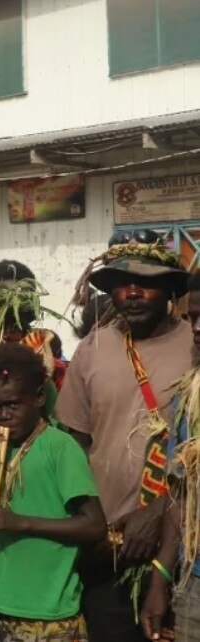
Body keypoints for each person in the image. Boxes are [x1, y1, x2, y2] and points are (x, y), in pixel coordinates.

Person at [58, 232, 193, 641]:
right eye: (121, 283)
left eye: (147, 282)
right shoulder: (93, 348)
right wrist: (95, 521)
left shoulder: (194, 344)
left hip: (180, 550)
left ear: (170, 289)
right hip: (108, 550)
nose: (132, 293)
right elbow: (75, 444)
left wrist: (154, 515)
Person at [0, 344, 106, 642]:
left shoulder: (59, 446)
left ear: (39, 398)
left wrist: (21, 523)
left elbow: (94, 525)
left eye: (14, 405)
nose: (4, 415)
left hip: (49, 612)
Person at [142, 271, 200, 641]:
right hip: (194, 583)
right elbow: (177, 494)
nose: (196, 328)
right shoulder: (188, 397)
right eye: (193, 317)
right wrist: (161, 577)